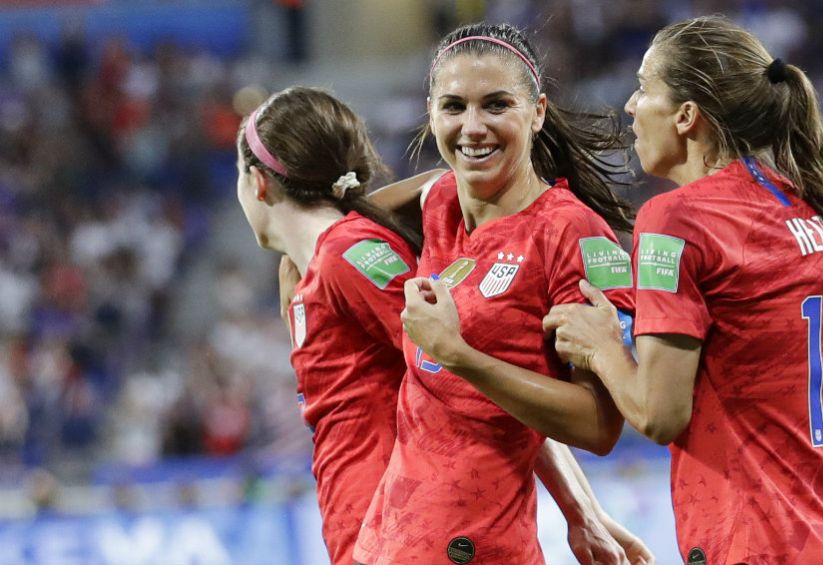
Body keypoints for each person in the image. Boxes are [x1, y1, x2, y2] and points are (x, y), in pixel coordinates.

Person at [235, 86, 650, 564]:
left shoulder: (349, 256)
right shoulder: (309, 269)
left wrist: (582, 511)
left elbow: (475, 383)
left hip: (419, 533)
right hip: (371, 537)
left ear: (258, 183)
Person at [542, 16, 823, 564]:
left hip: (759, 539)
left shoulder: (677, 218)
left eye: (643, 88)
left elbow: (661, 415)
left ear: (686, 116)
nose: (631, 107)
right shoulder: (800, 206)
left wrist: (601, 347)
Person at [353, 22, 650, 565]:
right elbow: (351, 225)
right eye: (453, 107)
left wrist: (458, 356)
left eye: (496, 105)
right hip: (388, 542)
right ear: (430, 112)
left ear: (536, 112)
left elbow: (600, 424)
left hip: (476, 547)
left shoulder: (570, 234)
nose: (473, 127)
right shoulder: (439, 199)